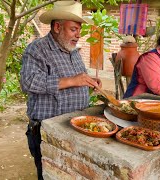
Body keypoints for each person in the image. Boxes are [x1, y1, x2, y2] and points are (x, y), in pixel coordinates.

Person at [19, 1, 101, 179]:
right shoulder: (37, 49)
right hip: (45, 131)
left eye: (79, 30)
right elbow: (28, 82)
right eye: (73, 29)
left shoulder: (73, 52)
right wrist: (72, 80)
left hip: (74, 128)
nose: (78, 35)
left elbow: (78, 80)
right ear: (57, 27)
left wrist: (89, 82)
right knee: (50, 175)